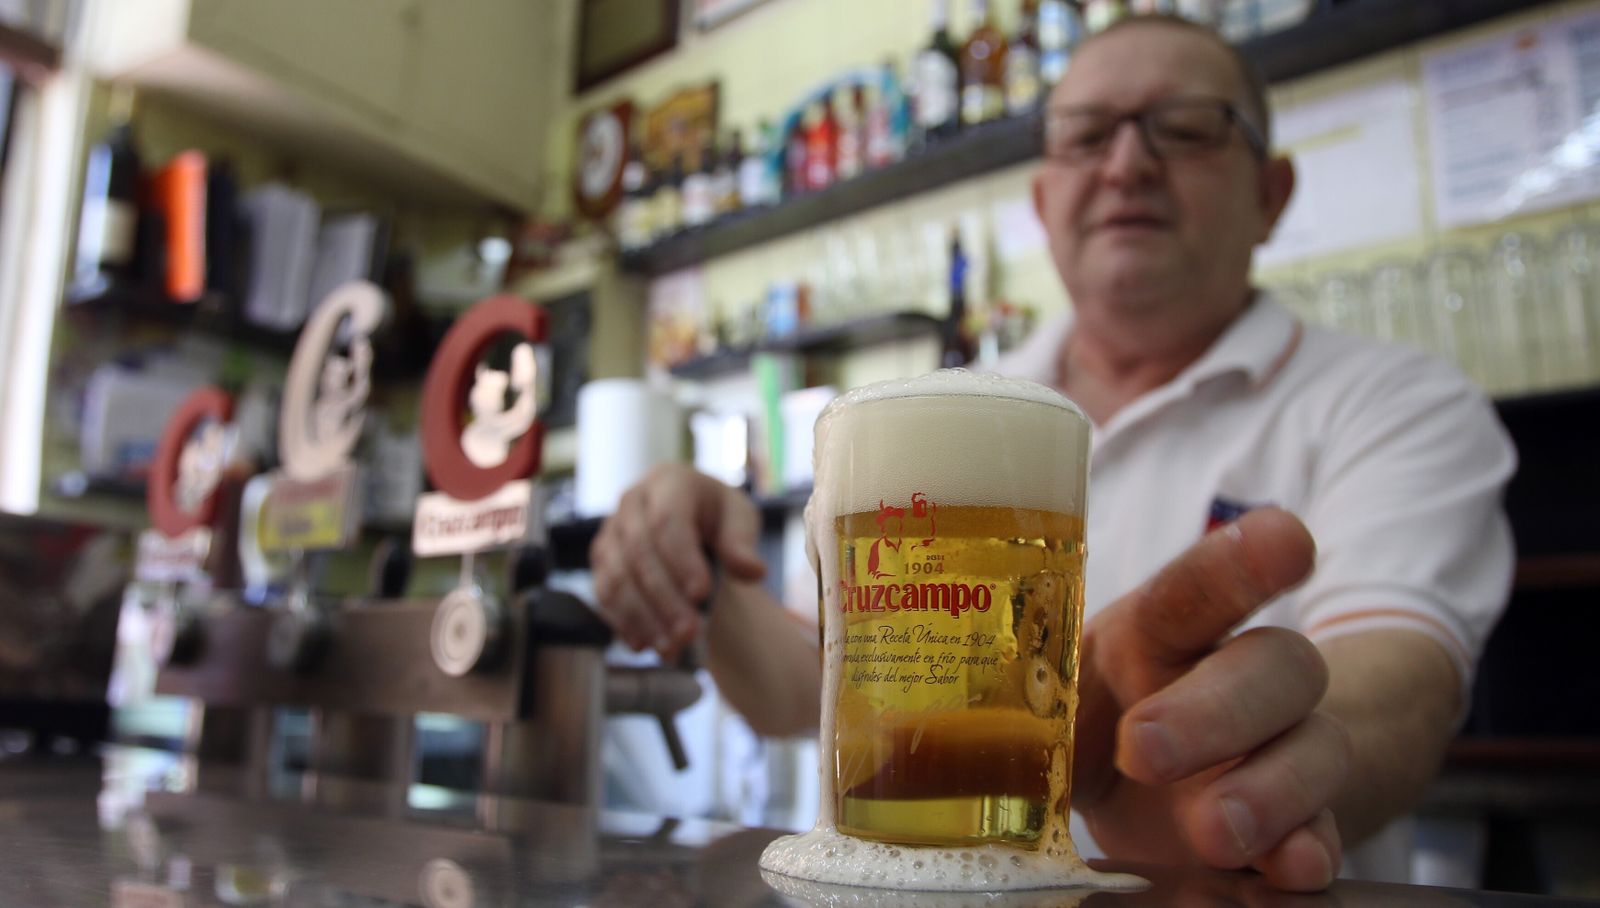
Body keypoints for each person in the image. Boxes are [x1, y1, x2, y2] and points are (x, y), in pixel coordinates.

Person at [589, 15, 1515, 894]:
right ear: (1043, 200)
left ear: (1270, 195)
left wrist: (1222, 772)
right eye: (1084, 135)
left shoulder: (1398, 403)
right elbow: (809, 688)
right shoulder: (940, 416)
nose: (1125, 164)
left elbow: (1403, 688)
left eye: (1186, 129)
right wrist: (705, 577)